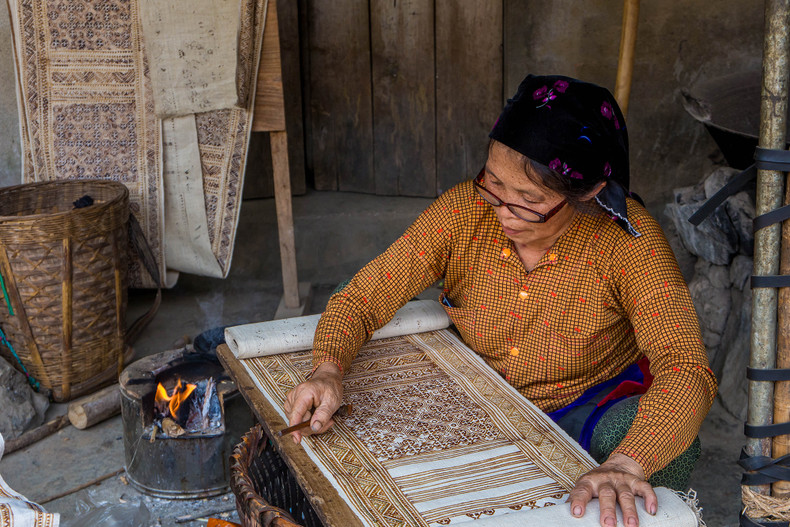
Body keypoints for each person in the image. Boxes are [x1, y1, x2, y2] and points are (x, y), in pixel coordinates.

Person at [284, 74, 717, 527]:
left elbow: (685, 365)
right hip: (474, 391)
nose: (502, 211)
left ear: (586, 193)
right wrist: (328, 369)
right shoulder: (463, 212)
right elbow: (362, 296)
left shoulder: (629, 243)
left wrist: (628, 463)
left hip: (579, 403)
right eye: (493, 184)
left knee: (666, 444)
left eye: (528, 199)